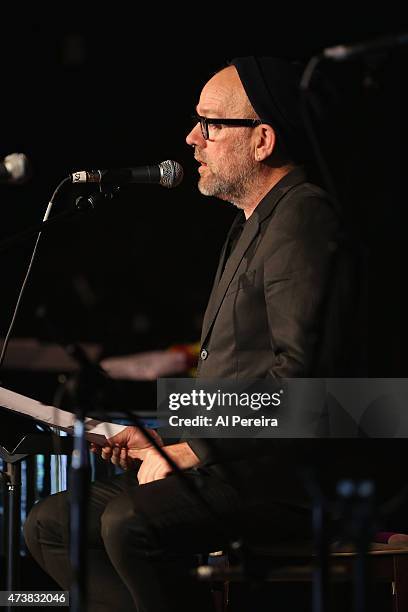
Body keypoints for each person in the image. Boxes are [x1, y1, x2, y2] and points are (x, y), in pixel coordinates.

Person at [23, 57, 354, 612]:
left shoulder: (304, 217)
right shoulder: (253, 221)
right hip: (230, 463)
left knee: (128, 524)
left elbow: (299, 380)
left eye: (210, 123)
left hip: (283, 478)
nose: (191, 138)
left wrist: (194, 449)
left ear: (262, 140)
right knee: (52, 523)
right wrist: (168, 437)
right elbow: (238, 373)